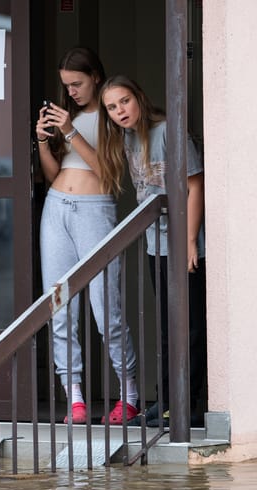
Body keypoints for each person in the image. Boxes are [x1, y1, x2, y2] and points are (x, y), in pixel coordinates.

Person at [36, 47, 140, 425]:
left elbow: (108, 170)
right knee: (59, 305)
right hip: (56, 207)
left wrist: (69, 130)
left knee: (106, 308)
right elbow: (53, 173)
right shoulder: (71, 117)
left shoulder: (113, 115)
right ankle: (75, 399)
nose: (73, 91)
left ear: (96, 76)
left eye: (78, 83)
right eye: (67, 86)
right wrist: (45, 140)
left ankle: (129, 394)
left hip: (95, 210)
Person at [97, 75, 206, 427]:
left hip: (184, 246)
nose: (120, 111)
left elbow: (195, 184)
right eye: (112, 107)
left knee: (188, 328)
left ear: (139, 98)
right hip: (155, 245)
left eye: (124, 101)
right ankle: (166, 400)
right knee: (165, 328)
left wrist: (189, 241)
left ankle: (187, 405)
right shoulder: (126, 137)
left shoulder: (168, 132)